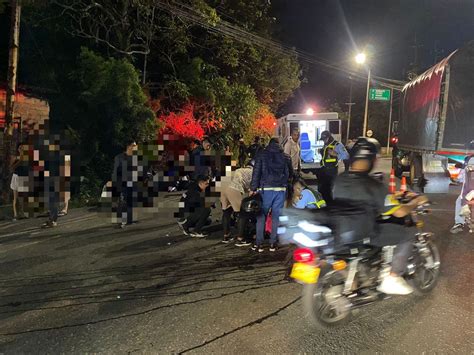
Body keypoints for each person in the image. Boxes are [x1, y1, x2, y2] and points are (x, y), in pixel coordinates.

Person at [333, 137, 428, 295]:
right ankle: (392, 277)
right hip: (365, 232)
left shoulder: (340, 179)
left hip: (342, 229)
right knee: (407, 233)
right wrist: (415, 202)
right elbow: (399, 211)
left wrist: (392, 196)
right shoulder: (374, 185)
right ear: (371, 160)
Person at [250, 137, 293, 252]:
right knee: (276, 217)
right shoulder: (286, 157)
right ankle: (273, 243)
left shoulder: (261, 155)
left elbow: (256, 172)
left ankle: (259, 243)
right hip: (280, 190)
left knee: (261, 216)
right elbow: (291, 174)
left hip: (266, 190)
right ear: (279, 145)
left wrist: (253, 188)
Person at [220, 160, 254, 244]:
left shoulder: (240, 169)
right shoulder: (253, 172)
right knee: (242, 214)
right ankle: (241, 238)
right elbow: (252, 190)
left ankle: (226, 235)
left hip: (222, 185)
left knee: (226, 211)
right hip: (233, 187)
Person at [317, 130, 349, 203]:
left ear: (329, 137)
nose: (323, 141)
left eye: (324, 139)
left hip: (332, 171)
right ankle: (323, 202)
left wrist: (336, 154)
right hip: (324, 170)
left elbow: (346, 155)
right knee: (321, 188)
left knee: (329, 189)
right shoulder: (326, 144)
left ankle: (330, 204)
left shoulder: (337, 145)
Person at [112, 139, 138, 228]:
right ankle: (121, 221)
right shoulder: (119, 157)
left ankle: (129, 220)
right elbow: (115, 171)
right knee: (123, 202)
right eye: (133, 145)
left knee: (130, 201)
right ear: (128, 146)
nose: (135, 147)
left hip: (132, 182)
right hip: (122, 182)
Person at [450, 154, 474, 233]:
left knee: (460, 202)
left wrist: (454, 179)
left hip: (469, 192)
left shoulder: (468, 162)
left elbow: (460, 179)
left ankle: (459, 223)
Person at [10, 143, 29, 221]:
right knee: (16, 197)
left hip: (24, 177)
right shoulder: (15, 157)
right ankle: (15, 214)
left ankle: (23, 213)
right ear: (18, 149)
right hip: (16, 177)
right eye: (20, 148)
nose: (22, 149)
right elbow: (12, 167)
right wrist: (20, 160)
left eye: (23, 148)